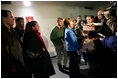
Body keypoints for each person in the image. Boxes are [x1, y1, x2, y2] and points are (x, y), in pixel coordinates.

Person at [1, 10, 26, 78]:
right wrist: (11, 67)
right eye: (11, 17)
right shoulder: (2, 33)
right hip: (12, 69)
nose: (13, 18)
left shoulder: (12, 31)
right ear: (4, 18)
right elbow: (3, 54)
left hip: (20, 64)